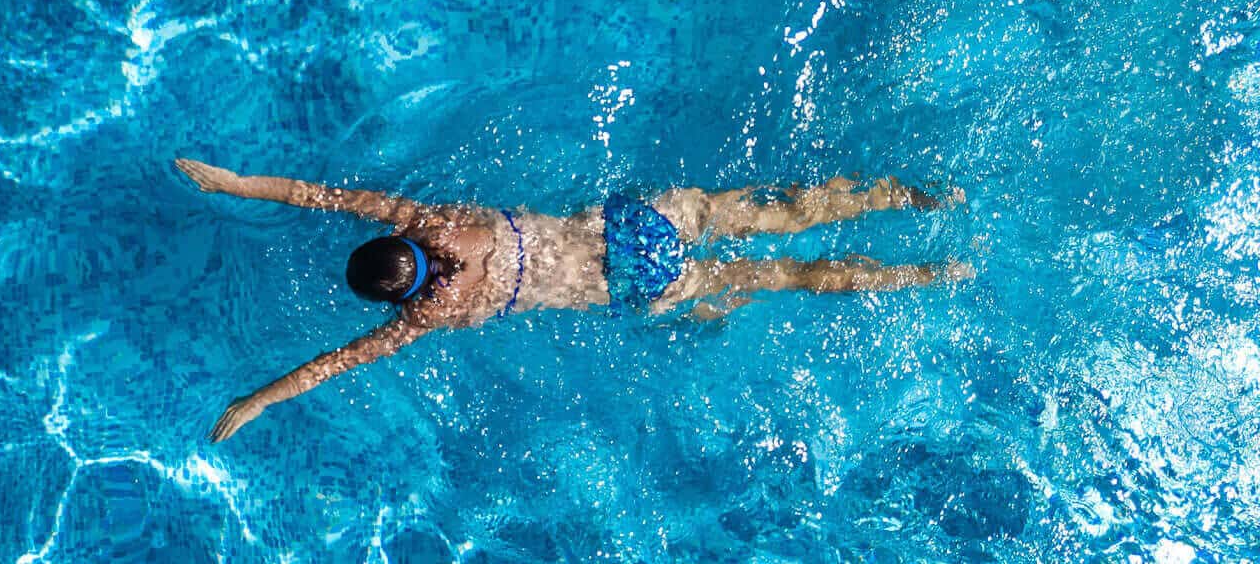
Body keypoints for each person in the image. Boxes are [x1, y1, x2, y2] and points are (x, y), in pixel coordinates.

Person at [174, 158, 970, 442]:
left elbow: (334, 364)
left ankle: (925, 276)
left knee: (783, 278)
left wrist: (258, 399)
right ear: (398, 244)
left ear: (393, 297)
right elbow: (319, 196)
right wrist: (236, 182)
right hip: (636, 227)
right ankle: (910, 197)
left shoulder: (426, 315)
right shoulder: (428, 220)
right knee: (778, 215)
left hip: (633, 285)